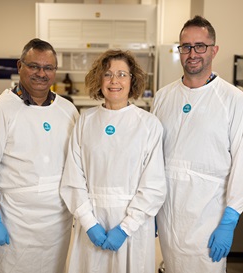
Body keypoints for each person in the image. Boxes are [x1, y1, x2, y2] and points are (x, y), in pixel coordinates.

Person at [151, 15, 243, 273]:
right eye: (185, 46)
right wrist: (149, 206)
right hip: (168, 214)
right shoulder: (164, 96)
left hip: (209, 215)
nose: (192, 53)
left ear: (214, 50)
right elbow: (151, 155)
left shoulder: (232, 99)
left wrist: (230, 220)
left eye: (200, 46)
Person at [0, 38, 79, 273]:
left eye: (48, 68)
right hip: (14, 223)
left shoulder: (68, 110)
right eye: (34, 66)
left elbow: (78, 164)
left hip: (56, 225)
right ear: (20, 66)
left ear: (55, 71)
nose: (41, 73)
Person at [60, 49, 166, 273]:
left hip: (132, 227)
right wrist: (89, 224)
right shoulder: (85, 121)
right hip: (92, 220)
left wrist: (126, 228)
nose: (114, 81)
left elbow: (154, 185)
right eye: (107, 74)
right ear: (99, 80)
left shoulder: (148, 125)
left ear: (132, 80)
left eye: (122, 74)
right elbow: (73, 178)